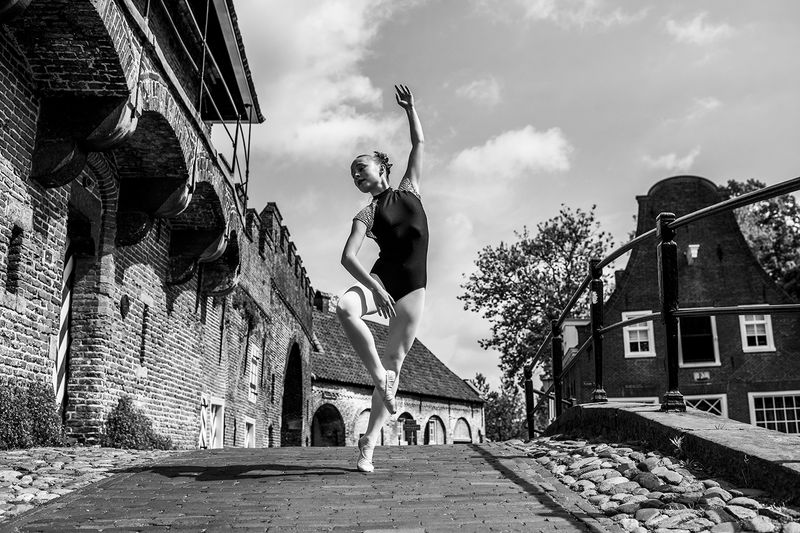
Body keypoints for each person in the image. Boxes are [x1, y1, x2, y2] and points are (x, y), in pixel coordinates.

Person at [336, 84, 427, 473]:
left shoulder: (410, 189)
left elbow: (418, 142)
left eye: (362, 167)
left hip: (413, 288)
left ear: (381, 168)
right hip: (383, 279)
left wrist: (410, 109)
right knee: (344, 307)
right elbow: (347, 257)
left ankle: (368, 445)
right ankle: (377, 375)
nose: (357, 174)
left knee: (397, 363)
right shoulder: (366, 214)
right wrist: (375, 287)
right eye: (353, 173)